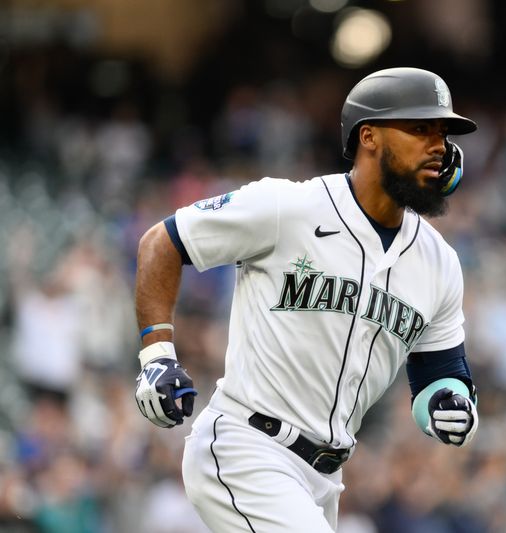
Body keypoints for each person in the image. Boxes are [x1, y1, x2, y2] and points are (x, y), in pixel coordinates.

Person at [133, 67, 480, 532]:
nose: (439, 145)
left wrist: (451, 404)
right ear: (369, 137)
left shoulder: (440, 262)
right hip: (247, 447)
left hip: (325, 479)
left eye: (442, 133)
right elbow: (162, 242)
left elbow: (440, 374)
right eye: (421, 129)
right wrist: (157, 355)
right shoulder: (288, 207)